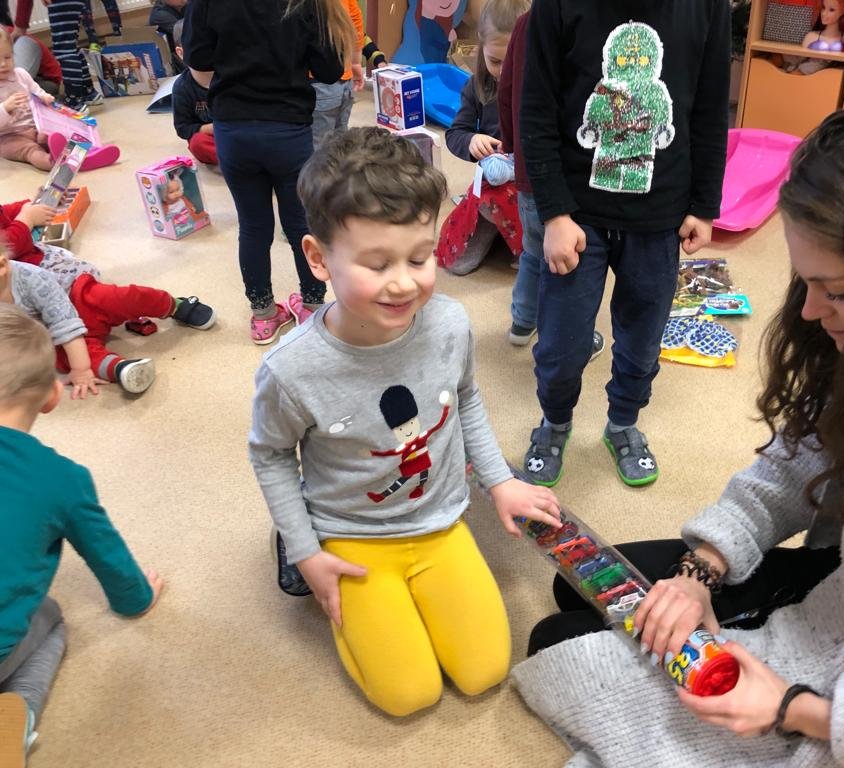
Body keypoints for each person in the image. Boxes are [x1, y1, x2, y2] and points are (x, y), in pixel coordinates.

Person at [512, 104, 844, 766]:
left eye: (836, 292)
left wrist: (790, 709)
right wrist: (700, 570)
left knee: (562, 644)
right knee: (587, 592)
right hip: (841, 587)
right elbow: (788, 468)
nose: (808, 311)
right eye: (806, 282)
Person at [249, 127, 562, 717]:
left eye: (419, 258)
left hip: (439, 521)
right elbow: (269, 454)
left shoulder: (449, 323)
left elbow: (465, 398)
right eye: (377, 264)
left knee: (484, 672)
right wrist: (307, 549)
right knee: (408, 695)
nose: (403, 282)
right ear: (317, 258)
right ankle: (289, 546)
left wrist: (500, 481)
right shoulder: (291, 370)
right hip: (352, 534)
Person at [518, 0, 730, 488]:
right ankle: (554, 422)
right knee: (561, 344)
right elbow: (537, 108)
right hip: (576, 215)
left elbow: (710, 108)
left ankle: (623, 424)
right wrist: (554, 213)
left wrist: (704, 205)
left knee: (642, 341)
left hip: (660, 216)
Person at [0, 304, 164, 767]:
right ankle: (17, 715)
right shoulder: (61, 478)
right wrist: (138, 598)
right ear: (53, 396)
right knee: (49, 617)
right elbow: (107, 556)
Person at [183, 0, 358, 343]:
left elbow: (198, 64)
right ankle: (312, 307)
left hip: (233, 130)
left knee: (253, 226)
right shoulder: (310, 3)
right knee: (301, 224)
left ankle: (263, 315)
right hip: (288, 131)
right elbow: (329, 70)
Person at [0, 209, 216, 396]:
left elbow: (64, 322)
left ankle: (173, 305)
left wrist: (81, 369)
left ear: (2, 265)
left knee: (121, 298)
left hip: (79, 300)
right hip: (54, 334)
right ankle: (120, 368)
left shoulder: (34, 279)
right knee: (64, 358)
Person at [497, 7, 606, 366]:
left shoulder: (525, 23)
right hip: (559, 177)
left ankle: (522, 321)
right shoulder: (579, 22)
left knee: (533, 252)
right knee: (563, 262)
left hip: (528, 171)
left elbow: (506, 91)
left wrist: (512, 144)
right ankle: (561, 338)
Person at [435, 0, 526, 277]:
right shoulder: (475, 86)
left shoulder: (541, 85)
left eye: (516, 59)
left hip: (533, 183)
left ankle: (522, 243)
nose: (506, 70)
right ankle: (503, 232)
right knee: (456, 262)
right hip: (493, 182)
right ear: (481, 46)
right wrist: (472, 140)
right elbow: (456, 133)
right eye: (496, 61)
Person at [310, 0, 364, 150]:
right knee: (341, 144)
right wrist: (355, 63)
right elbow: (355, 23)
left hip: (317, 79)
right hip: (344, 77)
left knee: (319, 146)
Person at [0, 26, 53, 170]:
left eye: (7, 57)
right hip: (9, 137)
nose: (3, 64)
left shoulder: (21, 74)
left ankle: (70, 151)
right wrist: (5, 108)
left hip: (34, 126)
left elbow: (36, 90)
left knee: (50, 134)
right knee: (30, 150)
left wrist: (44, 97)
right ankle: (50, 162)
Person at [170, 19, 215, 166]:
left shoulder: (231, 75)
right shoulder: (182, 88)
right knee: (198, 143)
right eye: (197, 47)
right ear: (181, 53)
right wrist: (210, 129)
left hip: (239, 131)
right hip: (212, 136)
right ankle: (238, 160)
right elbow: (183, 128)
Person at [150, 0, 187, 74]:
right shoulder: (160, 14)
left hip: (188, 51)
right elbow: (190, 33)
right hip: (178, 62)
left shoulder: (183, 6)